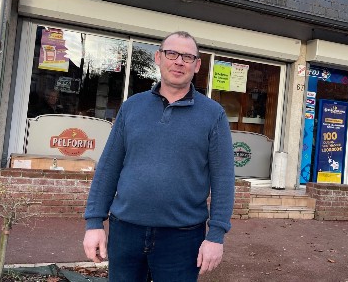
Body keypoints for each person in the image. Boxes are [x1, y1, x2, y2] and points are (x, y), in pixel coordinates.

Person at [82, 31, 235, 281]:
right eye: (172, 53)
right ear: (158, 57)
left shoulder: (213, 114)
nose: (179, 61)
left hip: (183, 238)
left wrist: (216, 235)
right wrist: (94, 223)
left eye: (187, 56)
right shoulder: (132, 107)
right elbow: (109, 167)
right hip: (125, 231)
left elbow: (223, 180)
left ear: (197, 65)